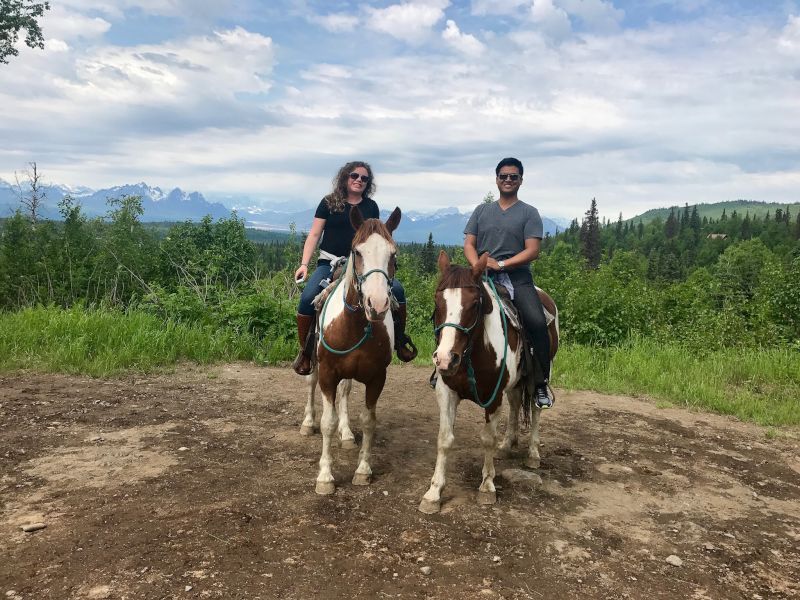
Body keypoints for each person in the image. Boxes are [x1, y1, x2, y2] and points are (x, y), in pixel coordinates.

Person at [292, 160, 417, 375]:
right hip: (330, 263)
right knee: (307, 298)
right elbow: (314, 234)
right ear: (345, 177)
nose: (359, 180)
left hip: (363, 264)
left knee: (397, 291)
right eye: (354, 176)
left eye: (364, 178)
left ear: (368, 183)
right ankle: (306, 352)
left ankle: (399, 341)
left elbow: (376, 239)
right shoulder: (329, 203)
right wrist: (304, 264)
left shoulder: (370, 207)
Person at [463, 157, 554, 408]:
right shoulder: (482, 211)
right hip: (483, 275)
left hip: (517, 277)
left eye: (513, 176)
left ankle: (540, 383)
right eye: (503, 176)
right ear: (496, 179)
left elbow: (532, 250)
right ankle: (444, 370)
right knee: (453, 310)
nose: (508, 180)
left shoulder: (529, 213)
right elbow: (470, 243)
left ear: (521, 181)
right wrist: (477, 265)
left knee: (536, 321)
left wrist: (501, 264)